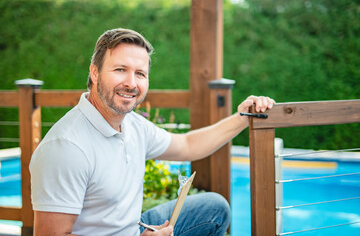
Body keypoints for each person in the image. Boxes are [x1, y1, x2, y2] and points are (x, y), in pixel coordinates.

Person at [30, 28, 275, 236]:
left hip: (132, 228)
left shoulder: (133, 125)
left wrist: (243, 117)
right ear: (94, 73)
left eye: (140, 73)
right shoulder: (66, 147)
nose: (131, 83)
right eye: (120, 70)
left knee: (214, 208)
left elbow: (189, 145)